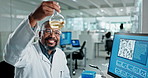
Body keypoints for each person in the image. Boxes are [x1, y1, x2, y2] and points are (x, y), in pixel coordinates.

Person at [3, 1, 70, 78]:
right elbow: (11, 54)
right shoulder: (28, 53)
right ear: (39, 34)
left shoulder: (60, 54)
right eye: (47, 31)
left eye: (57, 33)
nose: (52, 35)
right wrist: (33, 18)